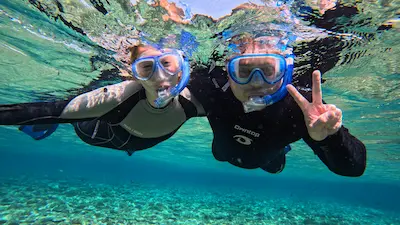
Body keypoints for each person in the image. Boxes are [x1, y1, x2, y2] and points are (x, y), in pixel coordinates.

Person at [188, 34, 367, 176]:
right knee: (219, 155)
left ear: (285, 72)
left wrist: (331, 138)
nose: (256, 82)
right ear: (228, 73)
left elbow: (353, 169)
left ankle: (283, 151)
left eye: (267, 71)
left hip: (269, 161)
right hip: (221, 152)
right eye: (243, 71)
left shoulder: (302, 108)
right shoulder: (214, 89)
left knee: (275, 169)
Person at [0, 44, 205, 155]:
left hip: (138, 142)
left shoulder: (193, 101)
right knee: (73, 109)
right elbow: (44, 111)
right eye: (146, 68)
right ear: (135, 76)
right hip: (97, 133)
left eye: (167, 63)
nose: (160, 76)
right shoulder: (118, 97)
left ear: (181, 71)